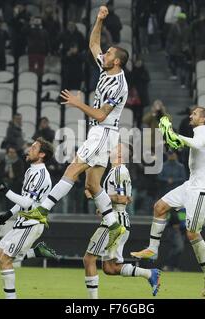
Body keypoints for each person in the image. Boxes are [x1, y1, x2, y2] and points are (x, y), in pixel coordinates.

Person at [28, 6, 128, 255]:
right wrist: (99, 20)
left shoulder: (119, 84)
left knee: (72, 168)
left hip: (103, 130)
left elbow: (101, 114)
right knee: (93, 184)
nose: (103, 54)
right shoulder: (106, 69)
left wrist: (76, 102)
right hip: (101, 132)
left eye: (108, 53)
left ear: (116, 61)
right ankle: (114, 225)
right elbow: (94, 43)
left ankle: (42, 211)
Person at [131, 106, 205, 297]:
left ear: (202, 119)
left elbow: (198, 143)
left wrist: (178, 137)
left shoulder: (202, 132)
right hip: (190, 185)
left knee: (192, 233)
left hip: (201, 190)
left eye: (194, 113)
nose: (191, 115)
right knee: (159, 207)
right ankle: (152, 249)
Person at [83, 143, 161, 299]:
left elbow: (123, 198)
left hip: (114, 222)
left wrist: (96, 194)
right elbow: (122, 198)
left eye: (116, 147)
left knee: (88, 259)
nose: (111, 148)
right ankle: (149, 273)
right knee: (110, 268)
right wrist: (103, 204)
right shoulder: (116, 171)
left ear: (120, 155)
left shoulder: (119, 171)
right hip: (119, 219)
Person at [0, 138, 54, 299]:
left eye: (33, 148)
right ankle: (36, 252)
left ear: (41, 154)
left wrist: (5, 191)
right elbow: (23, 200)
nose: (28, 150)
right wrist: (8, 214)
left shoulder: (41, 175)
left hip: (31, 224)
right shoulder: (30, 171)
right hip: (22, 222)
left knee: (5, 260)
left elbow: (27, 202)